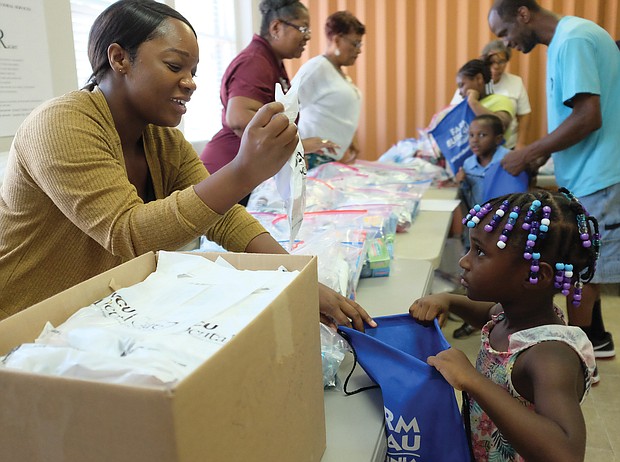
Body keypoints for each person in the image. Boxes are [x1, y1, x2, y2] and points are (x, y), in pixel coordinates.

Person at [0, 0, 374, 332]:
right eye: (175, 65)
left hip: (91, 319)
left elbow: (224, 217)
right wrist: (243, 170)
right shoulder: (61, 123)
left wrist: (299, 278)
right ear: (119, 58)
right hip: (23, 327)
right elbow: (127, 233)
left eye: (193, 71)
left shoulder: (160, 138)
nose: (190, 83)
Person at [410, 189, 598, 461]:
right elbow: (488, 313)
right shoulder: (513, 313)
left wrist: (473, 381)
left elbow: (565, 453)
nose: (464, 261)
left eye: (480, 252)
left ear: (536, 275)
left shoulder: (549, 356)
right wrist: (449, 301)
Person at [489, 0, 620, 364]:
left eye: (505, 33)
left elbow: (588, 117)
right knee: (579, 274)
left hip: (600, 175)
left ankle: (577, 364)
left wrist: (529, 152)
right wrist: (544, 156)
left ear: (524, 14)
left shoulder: (574, 38)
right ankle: (589, 349)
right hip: (587, 174)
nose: (507, 43)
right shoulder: (568, 38)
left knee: (582, 276)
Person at [200, 0, 338, 205]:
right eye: (303, 28)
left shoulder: (271, 62)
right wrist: (296, 146)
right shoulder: (255, 61)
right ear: (276, 27)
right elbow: (238, 118)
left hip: (244, 173)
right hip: (228, 172)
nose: (308, 36)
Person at [452, 114, 513, 339]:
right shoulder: (469, 163)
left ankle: (505, 317)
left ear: (498, 139)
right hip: (480, 228)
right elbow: (469, 198)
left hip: (505, 229)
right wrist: (462, 183)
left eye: (482, 135)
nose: (475, 140)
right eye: (471, 135)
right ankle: (478, 318)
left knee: (502, 275)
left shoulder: (509, 160)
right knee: (479, 274)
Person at [291, 11, 365, 170]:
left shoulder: (337, 72)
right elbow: (285, 108)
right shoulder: (317, 68)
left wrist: (351, 139)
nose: (359, 50)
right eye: (355, 44)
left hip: (327, 159)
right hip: (310, 158)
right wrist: (297, 146)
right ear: (337, 40)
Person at [451, 40, 532, 150]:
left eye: (501, 62)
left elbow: (524, 115)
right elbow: (453, 117)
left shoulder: (515, 83)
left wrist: (521, 143)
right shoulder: (467, 87)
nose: (496, 66)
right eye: (492, 62)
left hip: (507, 147)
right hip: (474, 150)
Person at [455, 58, 515, 139]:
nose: (460, 92)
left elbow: (501, 126)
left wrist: (473, 102)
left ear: (478, 79)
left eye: (462, 85)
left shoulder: (501, 100)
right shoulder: (464, 106)